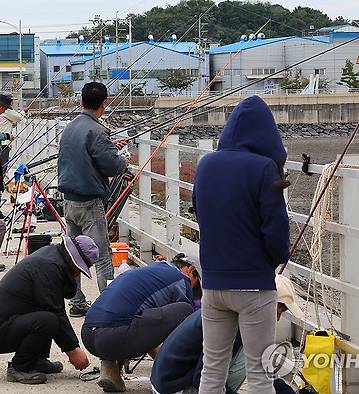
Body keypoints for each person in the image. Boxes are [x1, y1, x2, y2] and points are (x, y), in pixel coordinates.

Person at [193, 96, 291, 394]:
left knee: (213, 369)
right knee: (260, 373)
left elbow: (199, 210)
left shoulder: (206, 164)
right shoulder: (263, 168)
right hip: (254, 287)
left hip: (213, 285)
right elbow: (275, 228)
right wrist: (278, 257)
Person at [150, 275, 303, 394]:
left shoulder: (233, 308)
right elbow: (201, 379)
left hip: (166, 382)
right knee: (247, 355)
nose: (277, 319)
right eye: (278, 311)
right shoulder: (233, 324)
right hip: (173, 388)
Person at [0, 235, 98, 385]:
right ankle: (20, 367)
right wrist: (72, 349)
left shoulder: (52, 257)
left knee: (46, 314)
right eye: (79, 267)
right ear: (72, 258)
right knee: (48, 320)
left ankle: (36, 360)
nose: (78, 273)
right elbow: (55, 311)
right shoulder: (48, 266)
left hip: (0, 325)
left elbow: (52, 304)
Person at [57, 81, 127, 317]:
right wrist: (122, 159)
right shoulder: (97, 131)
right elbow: (112, 165)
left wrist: (109, 146)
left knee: (75, 254)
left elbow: (86, 153)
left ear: (82, 101)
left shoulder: (71, 127)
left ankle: (77, 303)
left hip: (69, 201)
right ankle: (111, 307)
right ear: (104, 104)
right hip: (89, 203)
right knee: (102, 256)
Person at [82, 260, 198, 392]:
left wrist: (158, 356)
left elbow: (149, 326)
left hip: (88, 334)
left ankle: (110, 367)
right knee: (185, 310)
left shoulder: (148, 272)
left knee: (128, 316)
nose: (194, 289)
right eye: (197, 282)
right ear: (189, 270)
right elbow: (184, 331)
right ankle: (113, 361)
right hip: (112, 337)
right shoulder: (181, 279)